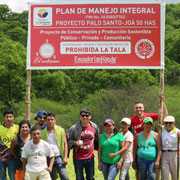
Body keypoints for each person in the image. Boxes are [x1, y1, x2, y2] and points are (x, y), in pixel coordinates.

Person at [68, 108, 99, 180]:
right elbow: (68, 142)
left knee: (91, 177)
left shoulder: (94, 126)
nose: (85, 117)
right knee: (79, 178)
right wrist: (75, 143)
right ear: (80, 117)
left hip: (90, 157)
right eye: (83, 115)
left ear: (90, 117)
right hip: (78, 158)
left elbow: (97, 140)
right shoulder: (73, 128)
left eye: (87, 115)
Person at [41, 112, 69, 180]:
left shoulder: (61, 130)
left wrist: (65, 157)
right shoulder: (42, 132)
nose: (50, 121)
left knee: (64, 176)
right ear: (45, 121)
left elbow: (65, 144)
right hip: (48, 158)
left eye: (52, 119)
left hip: (58, 156)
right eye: (48, 119)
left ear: (55, 120)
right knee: (52, 177)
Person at [0, 109, 19, 180]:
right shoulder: (0, 128)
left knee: (12, 176)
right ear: (4, 118)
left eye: (10, 116)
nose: (9, 118)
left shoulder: (17, 127)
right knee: (2, 176)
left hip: (13, 156)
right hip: (1, 156)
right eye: (7, 117)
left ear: (13, 118)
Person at [161, 115, 180, 180]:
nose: (168, 124)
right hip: (164, 154)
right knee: (165, 175)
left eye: (170, 123)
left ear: (174, 123)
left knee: (174, 174)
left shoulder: (177, 131)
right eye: (166, 123)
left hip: (174, 154)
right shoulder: (162, 130)